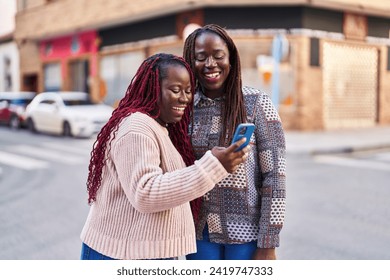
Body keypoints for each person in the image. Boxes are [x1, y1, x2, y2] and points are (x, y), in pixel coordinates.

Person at [79, 53, 249, 260]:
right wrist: (213, 166)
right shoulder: (137, 127)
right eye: (175, 90)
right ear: (152, 89)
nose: (184, 98)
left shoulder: (159, 126)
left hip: (142, 251)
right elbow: (145, 193)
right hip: (120, 254)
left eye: (188, 91)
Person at [183, 24, 286, 260]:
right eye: (201, 57)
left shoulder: (257, 103)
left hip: (246, 235)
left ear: (231, 59)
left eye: (218, 56)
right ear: (191, 62)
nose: (210, 64)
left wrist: (268, 242)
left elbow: (275, 177)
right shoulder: (185, 108)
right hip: (199, 233)